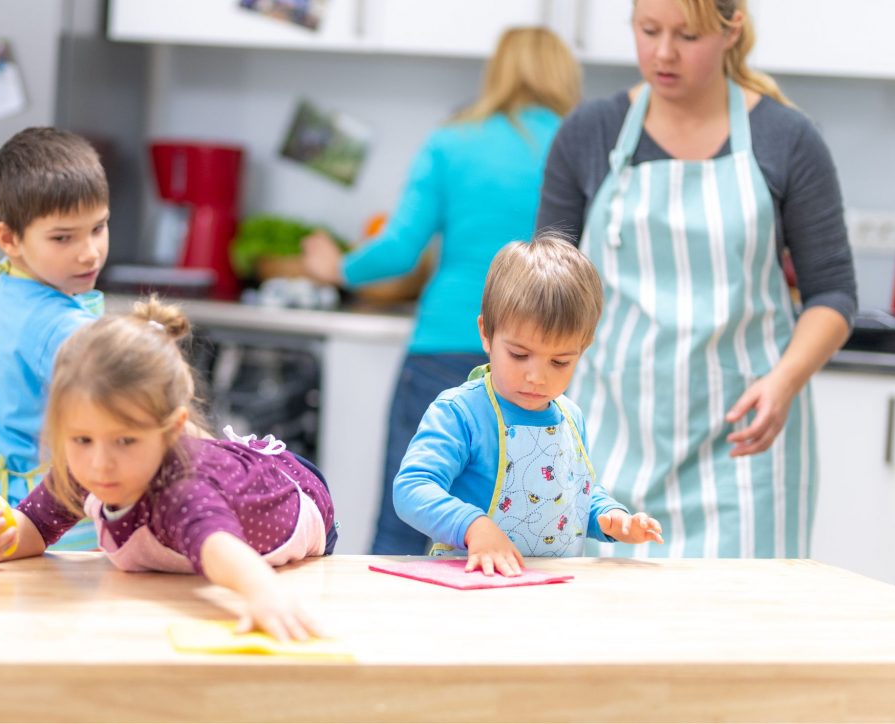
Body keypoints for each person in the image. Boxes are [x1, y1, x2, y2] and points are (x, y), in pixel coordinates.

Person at [535, 0, 857, 559]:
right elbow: (549, 286)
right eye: (648, 30)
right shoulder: (590, 133)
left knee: (738, 636)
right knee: (606, 632)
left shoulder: (788, 139)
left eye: (687, 35)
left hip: (744, 452)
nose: (663, 53)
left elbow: (833, 293)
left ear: (732, 29)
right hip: (606, 441)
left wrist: (783, 382)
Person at [302, 27, 583, 554]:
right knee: (525, 515)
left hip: (442, 346)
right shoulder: (576, 147)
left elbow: (399, 248)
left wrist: (337, 268)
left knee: (410, 517)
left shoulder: (453, 141)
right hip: (542, 355)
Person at [0, 298, 337, 641]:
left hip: (293, 494)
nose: (100, 463)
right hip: (224, 475)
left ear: (171, 431)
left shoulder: (181, 490)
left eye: (125, 441)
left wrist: (264, 595)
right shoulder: (84, 464)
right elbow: (35, 527)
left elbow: (221, 548)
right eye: (81, 440)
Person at [393, 235, 663, 576]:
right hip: (476, 587)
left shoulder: (570, 416)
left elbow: (571, 493)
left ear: (584, 348)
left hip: (552, 588)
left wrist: (611, 518)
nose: (537, 377)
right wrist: (474, 526)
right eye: (519, 355)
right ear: (486, 334)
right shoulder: (460, 413)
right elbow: (411, 488)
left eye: (560, 361)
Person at [0, 127, 111, 550]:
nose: (89, 252)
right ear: (9, 239)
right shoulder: (58, 327)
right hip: (59, 517)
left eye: (98, 228)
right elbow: (124, 390)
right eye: (63, 237)